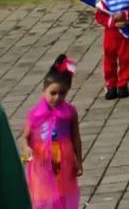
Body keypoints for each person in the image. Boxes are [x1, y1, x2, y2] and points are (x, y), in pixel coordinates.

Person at [22, 54, 83, 209]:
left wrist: (79, 160)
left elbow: (76, 137)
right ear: (44, 91)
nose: (57, 97)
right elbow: (25, 137)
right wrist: (27, 149)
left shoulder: (70, 112)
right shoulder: (36, 114)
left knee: (64, 192)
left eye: (62, 93)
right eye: (53, 93)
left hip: (64, 159)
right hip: (42, 160)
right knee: (44, 194)